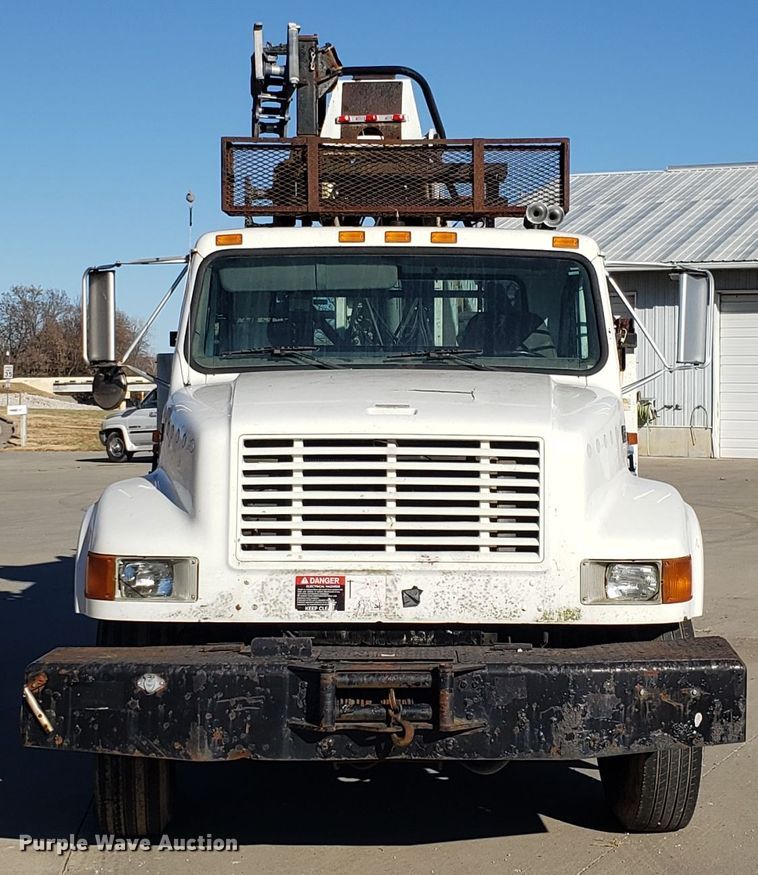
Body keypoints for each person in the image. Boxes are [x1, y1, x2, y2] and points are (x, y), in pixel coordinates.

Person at [461, 278, 555, 357]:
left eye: (500, 295)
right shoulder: (477, 322)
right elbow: (465, 356)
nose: (495, 301)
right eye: (490, 295)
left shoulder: (532, 324)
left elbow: (548, 361)